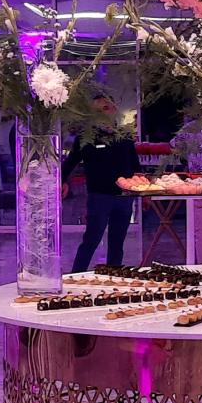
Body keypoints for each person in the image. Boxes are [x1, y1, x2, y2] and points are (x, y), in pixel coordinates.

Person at [63, 95, 141, 273]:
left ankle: (114, 277)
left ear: (114, 109)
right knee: (91, 239)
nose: (103, 113)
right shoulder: (86, 138)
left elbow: (135, 165)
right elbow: (70, 162)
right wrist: (62, 181)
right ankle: (76, 275)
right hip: (100, 197)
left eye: (106, 108)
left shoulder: (125, 136)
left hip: (124, 197)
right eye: (98, 110)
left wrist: (142, 190)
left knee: (117, 242)